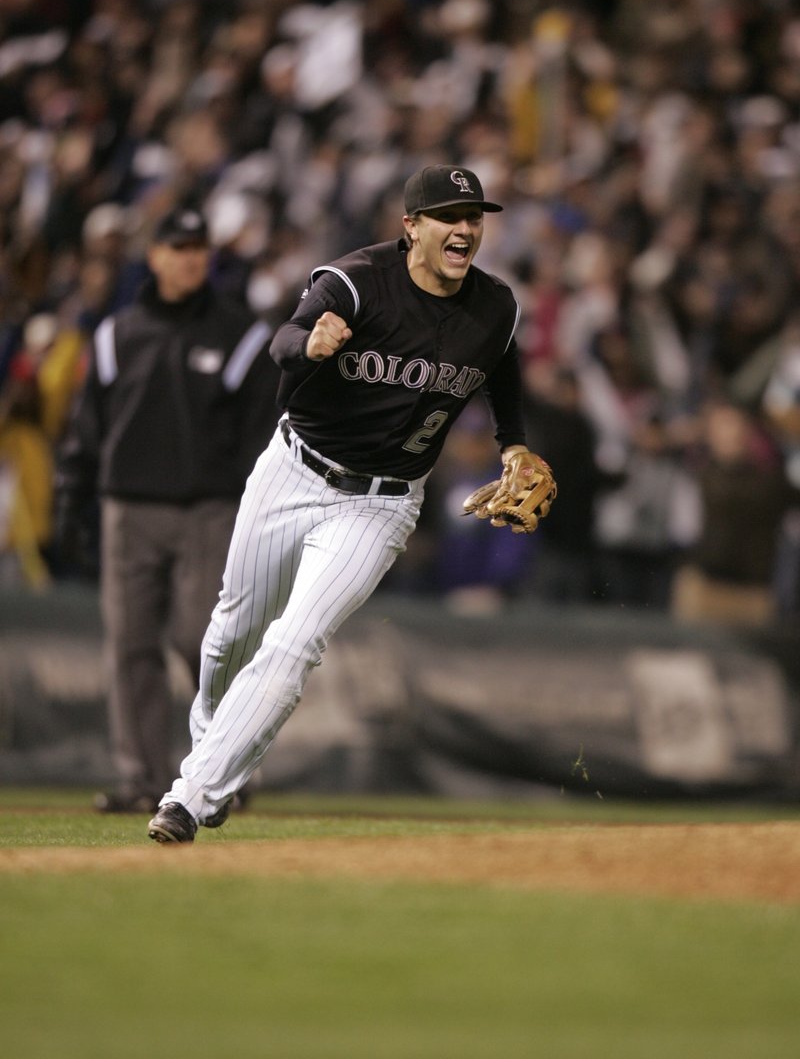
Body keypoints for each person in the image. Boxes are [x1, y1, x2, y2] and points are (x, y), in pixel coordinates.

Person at [147, 164, 544, 842]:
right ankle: (212, 761)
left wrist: (514, 444)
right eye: (449, 215)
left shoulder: (494, 306)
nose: (466, 229)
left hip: (381, 503)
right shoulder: (355, 281)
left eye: (475, 217)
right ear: (411, 225)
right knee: (227, 639)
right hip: (294, 471)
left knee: (296, 643)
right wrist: (311, 344)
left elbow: (502, 369)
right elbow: (282, 342)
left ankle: (191, 795)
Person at [54, 205, 280, 813]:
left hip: (208, 511)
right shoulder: (114, 336)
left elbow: (265, 432)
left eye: (198, 248)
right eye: (178, 248)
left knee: (201, 639)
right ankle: (145, 779)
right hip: (127, 507)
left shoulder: (242, 334)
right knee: (129, 645)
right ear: (154, 256)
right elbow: (87, 429)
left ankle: (227, 769)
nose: (190, 259)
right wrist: (72, 496)